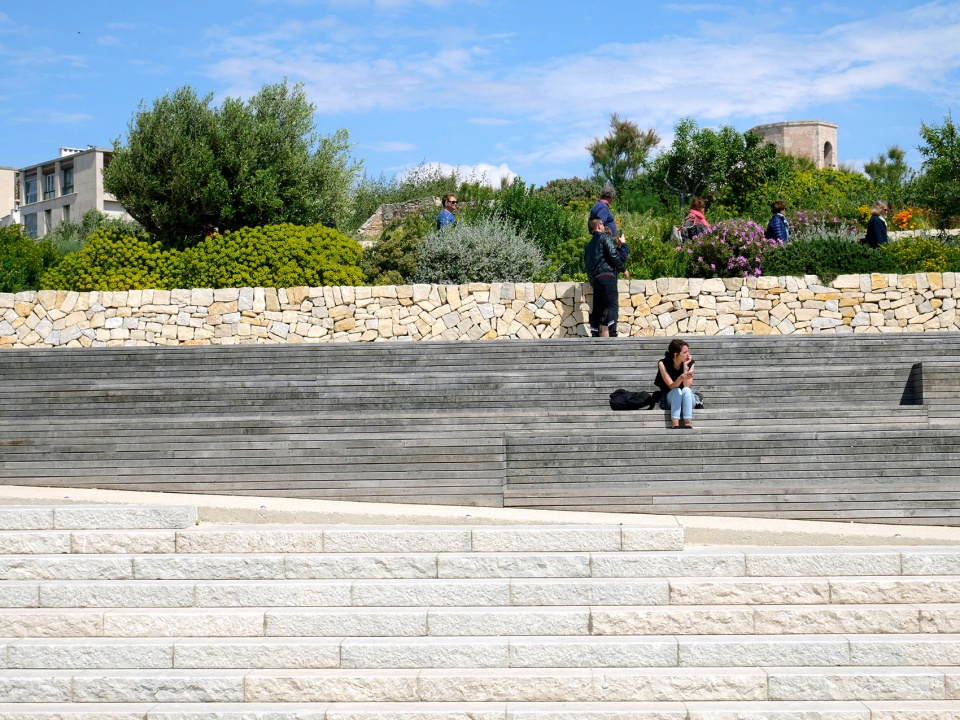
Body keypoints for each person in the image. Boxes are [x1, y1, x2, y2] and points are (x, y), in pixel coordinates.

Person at [584, 216, 629, 338]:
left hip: (596, 279)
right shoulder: (605, 237)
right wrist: (623, 268)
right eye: (602, 224)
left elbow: (588, 264)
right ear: (599, 226)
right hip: (607, 276)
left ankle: (594, 332)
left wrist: (592, 280)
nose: (604, 226)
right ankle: (613, 333)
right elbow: (613, 255)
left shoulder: (588, 246)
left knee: (598, 307)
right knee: (612, 305)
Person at [655, 339, 696, 429]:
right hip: (671, 398)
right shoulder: (663, 364)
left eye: (688, 351)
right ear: (676, 354)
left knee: (686, 390)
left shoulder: (690, 363)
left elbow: (687, 385)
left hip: (688, 399)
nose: (688, 354)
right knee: (677, 390)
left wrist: (685, 366)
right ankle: (675, 422)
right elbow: (671, 385)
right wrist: (680, 378)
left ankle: (688, 423)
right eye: (685, 352)